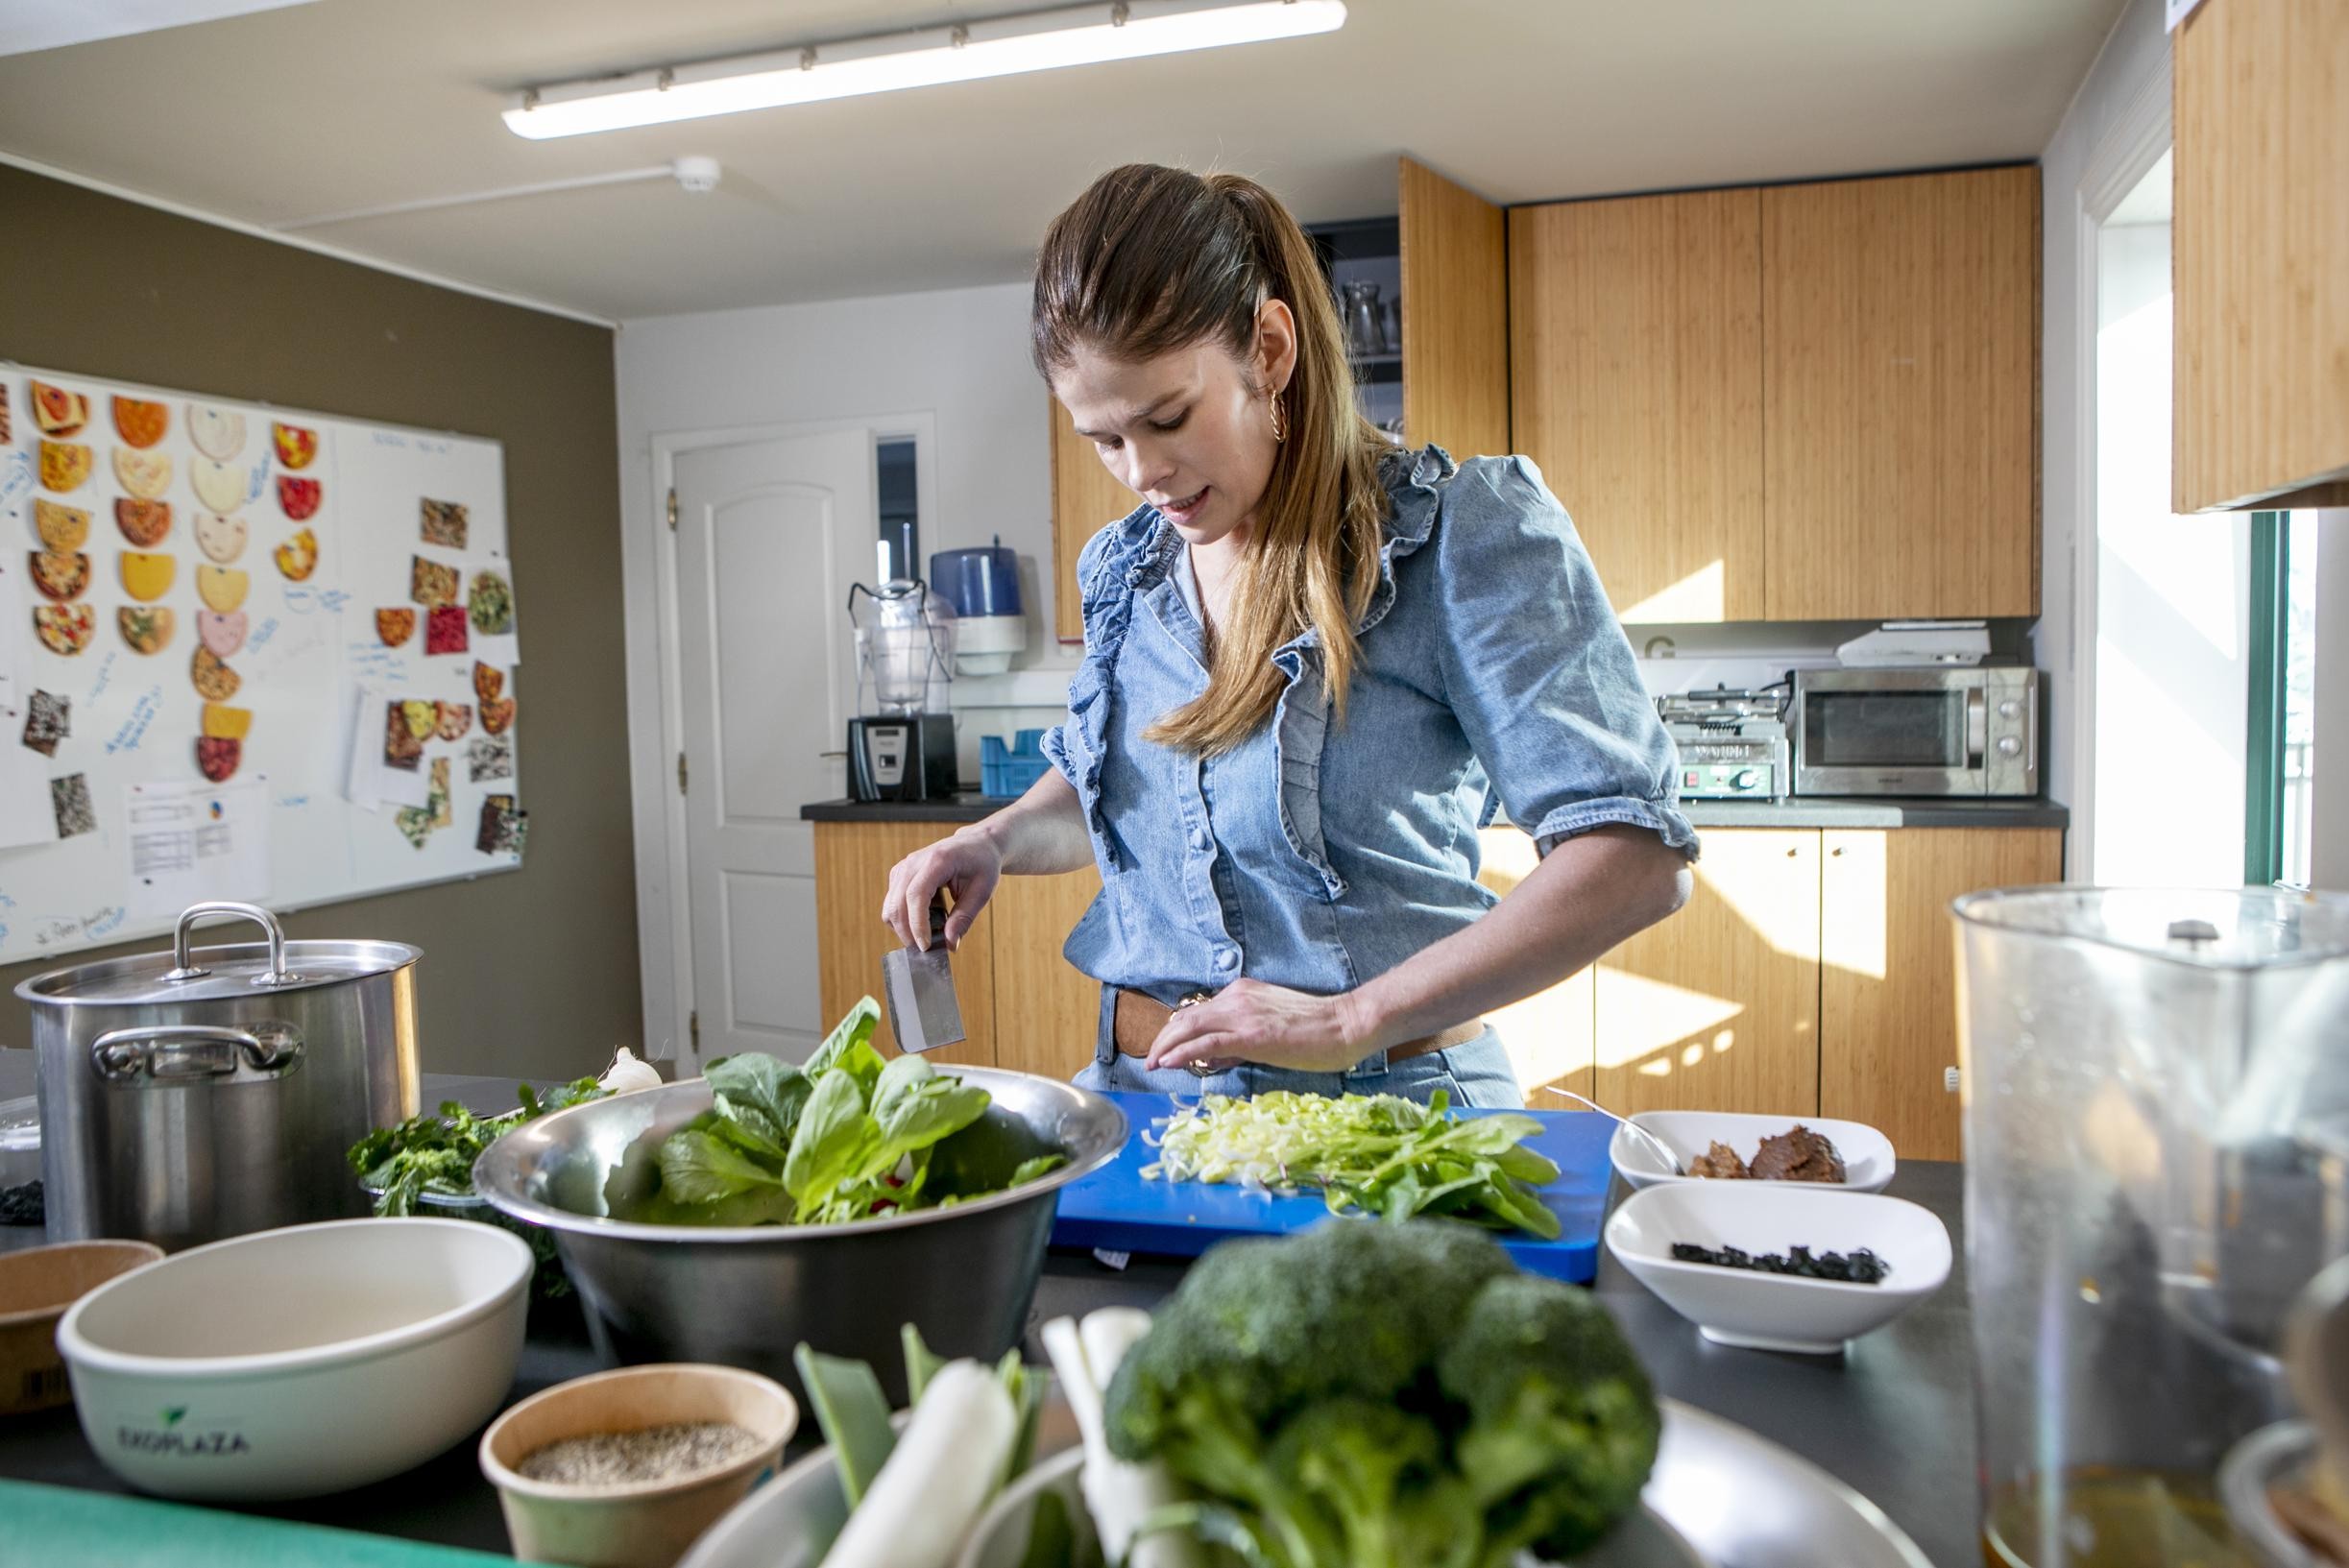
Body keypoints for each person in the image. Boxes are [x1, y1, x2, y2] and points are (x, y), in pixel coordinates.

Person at [882, 163, 1695, 1108]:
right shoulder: (1123, 571)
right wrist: (996, 837)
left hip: (1388, 1120)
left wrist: (1349, 1019)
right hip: (1142, 1105)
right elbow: (1116, 787)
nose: (1141, 469)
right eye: (1102, 438)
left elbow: (1635, 860)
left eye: (1167, 417)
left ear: (1269, 349)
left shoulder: (1457, 537)